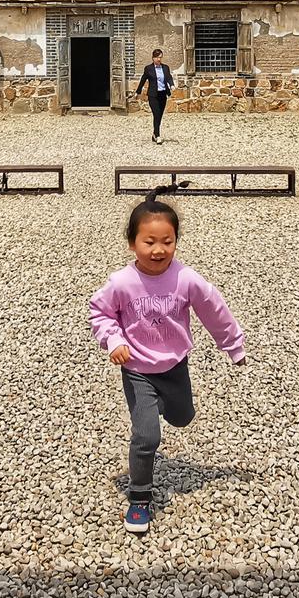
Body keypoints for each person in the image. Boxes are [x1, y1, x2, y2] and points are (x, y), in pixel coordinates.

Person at [87, 192, 247, 534]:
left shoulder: (186, 278)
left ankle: (163, 407)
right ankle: (139, 499)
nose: (158, 250)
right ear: (132, 243)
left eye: (167, 241)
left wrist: (232, 345)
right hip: (138, 370)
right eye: (149, 242)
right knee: (146, 436)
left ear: (176, 242)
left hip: (175, 367)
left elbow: (213, 309)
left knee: (183, 416)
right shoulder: (122, 282)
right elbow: (100, 312)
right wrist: (114, 340)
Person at [134, 47, 175, 143]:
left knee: (159, 115)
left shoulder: (165, 68)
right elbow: (143, 80)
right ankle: (158, 135)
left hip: (163, 94)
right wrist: (138, 91)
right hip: (153, 95)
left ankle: (154, 133)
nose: (159, 59)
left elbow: (169, 77)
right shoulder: (148, 68)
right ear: (153, 58)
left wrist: (172, 85)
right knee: (156, 114)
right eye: (157, 57)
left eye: (160, 57)